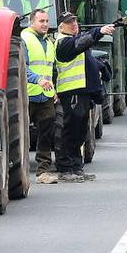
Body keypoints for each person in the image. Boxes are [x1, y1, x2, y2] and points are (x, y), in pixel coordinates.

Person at [53, 13, 114, 182]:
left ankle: (76, 167)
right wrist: (99, 31)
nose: (74, 24)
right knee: (70, 130)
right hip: (71, 91)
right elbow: (80, 43)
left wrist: (101, 67)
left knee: (80, 131)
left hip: (81, 92)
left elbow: (86, 59)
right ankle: (65, 169)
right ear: (60, 27)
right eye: (69, 23)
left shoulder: (74, 40)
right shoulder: (63, 42)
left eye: (75, 21)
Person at [20, 10, 58, 182]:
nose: (45, 24)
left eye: (47, 20)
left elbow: (49, 69)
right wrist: (37, 80)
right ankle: (19, 173)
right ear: (32, 22)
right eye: (41, 21)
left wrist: (53, 88)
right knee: (22, 136)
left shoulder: (49, 42)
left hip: (46, 96)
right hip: (26, 94)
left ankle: (43, 172)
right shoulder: (24, 39)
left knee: (46, 134)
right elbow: (21, 68)